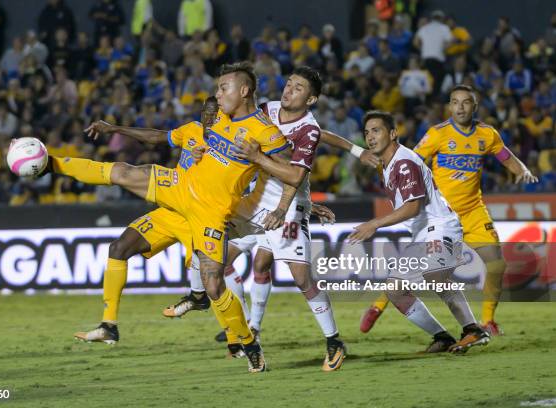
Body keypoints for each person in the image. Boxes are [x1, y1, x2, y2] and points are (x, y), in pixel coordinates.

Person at [45, 62, 291, 373]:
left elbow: (292, 173)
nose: (214, 99)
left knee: (214, 284)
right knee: (122, 174)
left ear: (244, 91)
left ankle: (247, 343)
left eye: (222, 89)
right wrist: (117, 128)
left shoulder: (264, 132)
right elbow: (158, 137)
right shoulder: (206, 126)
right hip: (178, 192)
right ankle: (51, 164)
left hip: (209, 214)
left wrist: (284, 198)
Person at [164, 67, 380, 371]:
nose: (289, 90)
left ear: (312, 98)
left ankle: (333, 340)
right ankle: (217, 311)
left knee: (302, 279)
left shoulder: (309, 131)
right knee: (212, 250)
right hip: (253, 202)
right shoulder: (269, 109)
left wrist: (286, 205)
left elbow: (295, 175)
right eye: (289, 83)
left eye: (298, 88)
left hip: (287, 208)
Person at [360, 85, 539, 336]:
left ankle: (486, 322)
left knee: (495, 265)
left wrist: (522, 171)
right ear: (449, 106)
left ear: (474, 107)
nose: (461, 107)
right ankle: (379, 304)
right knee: (425, 270)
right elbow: (412, 160)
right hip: (439, 214)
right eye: (455, 102)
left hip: (473, 211)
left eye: (466, 102)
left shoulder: (487, 135)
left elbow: (505, 156)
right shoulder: (437, 134)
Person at [349, 110, 490, 353]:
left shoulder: (403, 162)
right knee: (395, 290)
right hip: (423, 233)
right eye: (367, 132)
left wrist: (373, 224)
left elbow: (412, 208)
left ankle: (474, 330)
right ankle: (442, 337)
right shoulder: (387, 164)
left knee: (436, 275)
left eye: (376, 130)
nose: (370, 137)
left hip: (440, 225)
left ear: (393, 133)